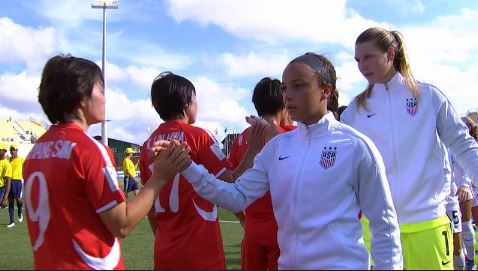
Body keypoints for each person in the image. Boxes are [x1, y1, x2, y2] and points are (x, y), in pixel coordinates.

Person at [171, 52, 403, 269]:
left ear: (325, 91)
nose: (288, 95)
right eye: (284, 88)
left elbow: (384, 225)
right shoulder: (277, 147)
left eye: (298, 85)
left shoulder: (356, 146)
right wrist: (188, 167)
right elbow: (237, 197)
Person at [23, 54, 190, 270]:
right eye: (101, 90)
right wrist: (160, 177)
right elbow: (122, 224)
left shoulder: (35, 152)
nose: (104, 98)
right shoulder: (87, 149)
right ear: (81, 97)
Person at [340, 26, 478, 270]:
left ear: (391, 54)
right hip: (378, 231)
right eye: (357, 60)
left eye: (368, 57)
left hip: (428, 224)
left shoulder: (428, 96)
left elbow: (463, 145)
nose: (362, 65)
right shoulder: (354, 111)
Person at [140, 71, 263, 270]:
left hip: (165, 253)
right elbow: (230, 182)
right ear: (186, 102)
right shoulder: (199, 137)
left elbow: (150, 208)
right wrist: (253, 149)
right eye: (195, 98)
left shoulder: (147, 146)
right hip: (201, 252)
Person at [228, 77, 294, 270]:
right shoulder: (292, 136)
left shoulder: (242, 138)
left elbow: (231, 183)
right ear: (284, 104)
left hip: (253, 230)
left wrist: (242, 218)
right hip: (284, 233)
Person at [7, 143, 24, 228]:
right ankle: (12, 221)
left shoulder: (21, 159)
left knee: (18, 199)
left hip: (17, 181)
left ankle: (20, 210)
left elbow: (26, 167)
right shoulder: (8, 160)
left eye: (13, 149)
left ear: (17, 150)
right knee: (10, 201)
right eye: (11, 150)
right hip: (9, 181)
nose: (12, 151)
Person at [0, 141, 12, 222]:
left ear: (4, 151)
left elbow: (8, 182)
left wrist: (5, 198)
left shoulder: (7, 164)